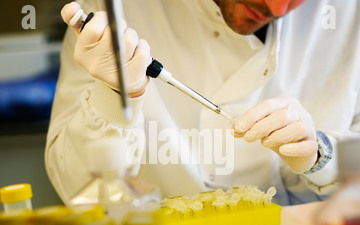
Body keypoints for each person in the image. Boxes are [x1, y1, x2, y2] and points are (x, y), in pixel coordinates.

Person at [45, 0, 360, 207]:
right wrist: (113, 96)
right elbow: (78, 190)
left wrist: (322, 155)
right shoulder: (112, 11)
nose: (278, 8)